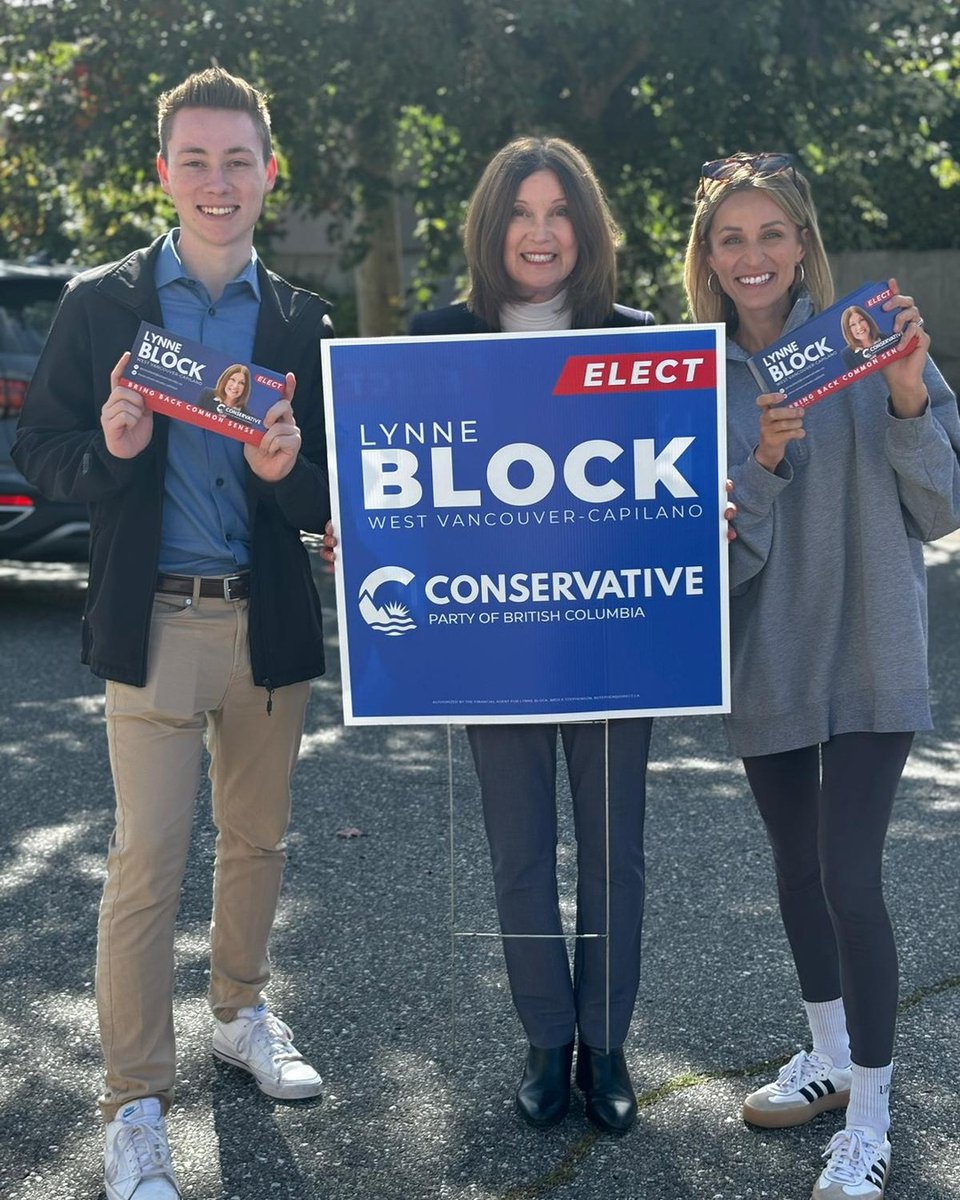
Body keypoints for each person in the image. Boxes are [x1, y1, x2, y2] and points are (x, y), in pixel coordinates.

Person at [13, 67, 333, 1200]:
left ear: (267, 172)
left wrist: (293, 476)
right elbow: (41, 454)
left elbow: (326, 500)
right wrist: (109, 448)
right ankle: (134, 1102)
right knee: (146, 863)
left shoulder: (300, 317)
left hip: (269, 627)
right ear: (163, 173)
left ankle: (240, 1013)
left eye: (236, 159)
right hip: (153, 625)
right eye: (193, 159)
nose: (216, 180)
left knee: (257, 844)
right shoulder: (103, 303)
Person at [683, 150, 960, 1199]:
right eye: (731, 238)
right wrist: (761, 467)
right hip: (771, 665)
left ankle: (876, 1120)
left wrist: (900, 401)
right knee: (798, 877)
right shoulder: (695, 379)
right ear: (708, 257)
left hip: (873, 656)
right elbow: (715, 569)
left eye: (771, 234)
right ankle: (832, 1061)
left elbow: (942, 509)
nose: (753, 256)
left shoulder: (872, 338)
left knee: (851, 880)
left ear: (803, 244)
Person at [408, 135, 657, 1136]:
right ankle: (547, 1040)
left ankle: (609, 1043)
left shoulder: (638, 336)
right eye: (522, 212)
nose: (541, 233)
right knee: (518, 852)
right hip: (490, 644)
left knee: (614, 855)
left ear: (585, 230)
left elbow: (663, 481)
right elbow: (404, 491)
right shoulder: (436, 336)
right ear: (491, 225)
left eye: (560, 214)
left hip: (611, 641)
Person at [840, 304, 883, 370]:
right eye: (853, 324)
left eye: (861, 320)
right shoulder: (847, 355)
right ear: (848, 330)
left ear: (868, 321)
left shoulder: (885, 338)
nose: (859, 327)